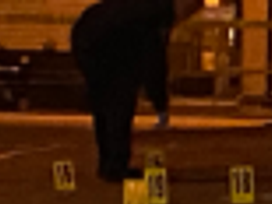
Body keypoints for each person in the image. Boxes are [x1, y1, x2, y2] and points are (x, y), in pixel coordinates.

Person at [72, 0, 199, 182]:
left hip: (88, 36)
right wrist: (160, 103)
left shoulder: (146, 9)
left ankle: (108, 163)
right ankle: (115, 166)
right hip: (107, 45)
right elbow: (155, 63)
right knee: (120, 107)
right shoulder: (155, 17)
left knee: (104, 106)